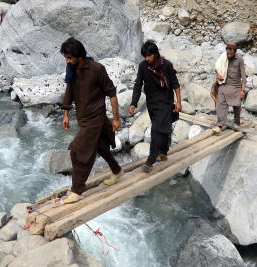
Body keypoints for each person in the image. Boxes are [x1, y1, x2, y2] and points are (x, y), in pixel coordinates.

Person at [60, 38, 123, 204]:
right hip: (83, 117)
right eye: (66, 57)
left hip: (95, 117)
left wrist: (116, 118)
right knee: (101, 146)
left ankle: (77, 190)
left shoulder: (97, 69)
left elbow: (112, 93)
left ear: (80, 56)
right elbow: (69, 90)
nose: (67, 61)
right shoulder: (71, 69)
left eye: (70, 57)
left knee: (77, 151)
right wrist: (66, 113)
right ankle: (117, 171)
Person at [129, 40, 181, 173]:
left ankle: (150, 161)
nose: (147, 59)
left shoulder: (167, 66)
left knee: (156, 130)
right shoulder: (143, 67)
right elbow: (138, 85)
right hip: (151, 104)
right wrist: (133, 103)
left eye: (149, 56)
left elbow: (175, 84)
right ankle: (163, 152)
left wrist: (179, 102)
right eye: (145, 56)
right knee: (162, 129)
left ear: (155, 54)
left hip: (165, 102)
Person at [212, 43, 246, 132]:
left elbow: (243, 75)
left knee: (236, 106)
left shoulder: (239, 59)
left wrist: (242, 90)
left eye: (231, 54)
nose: (229, 55)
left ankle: (236, 123)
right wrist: (217, 75)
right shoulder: (223, 57)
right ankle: (219, 125)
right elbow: (217, 68)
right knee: (220, 105)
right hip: (224, 84)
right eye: (228, 53)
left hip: (235, 86)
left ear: (235, 52)